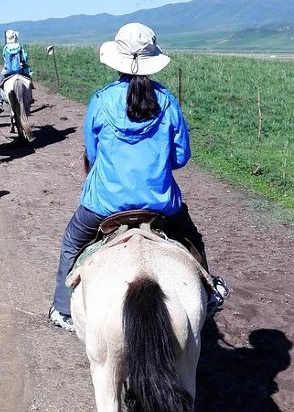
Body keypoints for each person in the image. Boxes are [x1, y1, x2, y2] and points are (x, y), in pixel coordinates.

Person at [49, 22, 228, 331]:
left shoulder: (101, 100)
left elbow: (91, 155)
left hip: (104, 204)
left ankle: (63, 310)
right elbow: (181, 158)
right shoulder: (168, 101)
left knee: (70, 243)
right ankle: (209, 295)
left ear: (117, 59)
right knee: (193, 239)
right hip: (161, 205)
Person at [0, 29, 33, 107]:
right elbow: (24, 58)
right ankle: (30, 96)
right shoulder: (20, 46)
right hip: (19, 70)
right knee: (29, 79)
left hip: (7, 71)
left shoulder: (6, 48)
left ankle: (0, 101)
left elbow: (4, 58)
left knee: (0, 83)